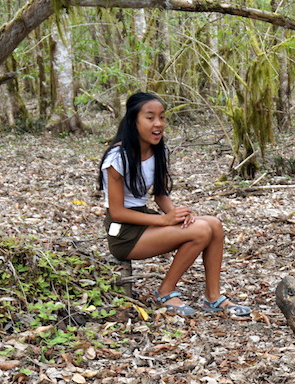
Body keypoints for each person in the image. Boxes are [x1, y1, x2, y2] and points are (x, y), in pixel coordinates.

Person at [99, 92, 251, 319]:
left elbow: (160, 194)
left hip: (145, 219)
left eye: (162, 117)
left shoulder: (157, 150)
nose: (158, 124)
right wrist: (163, 220)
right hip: (123, 232)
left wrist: (177, 214)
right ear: (133, 121)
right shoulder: (117, 158)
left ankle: (212, 297)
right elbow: (118, 212)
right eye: (150, 118)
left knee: (214, 225)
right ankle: (165, 291)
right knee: (200, 231)